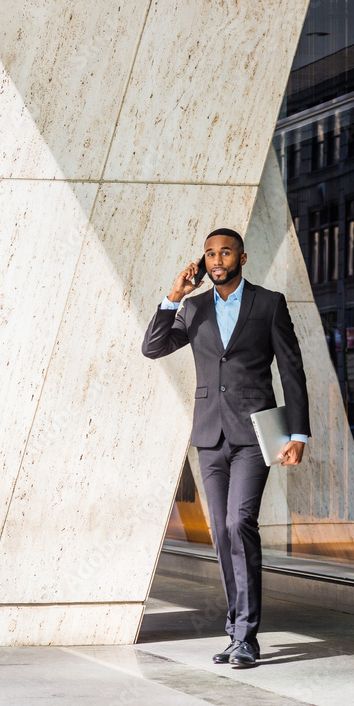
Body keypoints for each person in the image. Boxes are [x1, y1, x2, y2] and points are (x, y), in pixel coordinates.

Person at [142, 228, 310, 667]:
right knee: (221, 532)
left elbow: (292, 369)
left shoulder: (269, 303)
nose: (218, 260)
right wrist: (175, 294)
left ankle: (248, 636)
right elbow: (153, 348)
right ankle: (236, 631)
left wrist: (299, 433)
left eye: (226, 253)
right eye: (211, 254)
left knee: (240, 523)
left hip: (255, 433)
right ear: (204, 261)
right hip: (209, 435)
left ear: (242, 257)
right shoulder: (194, 307)